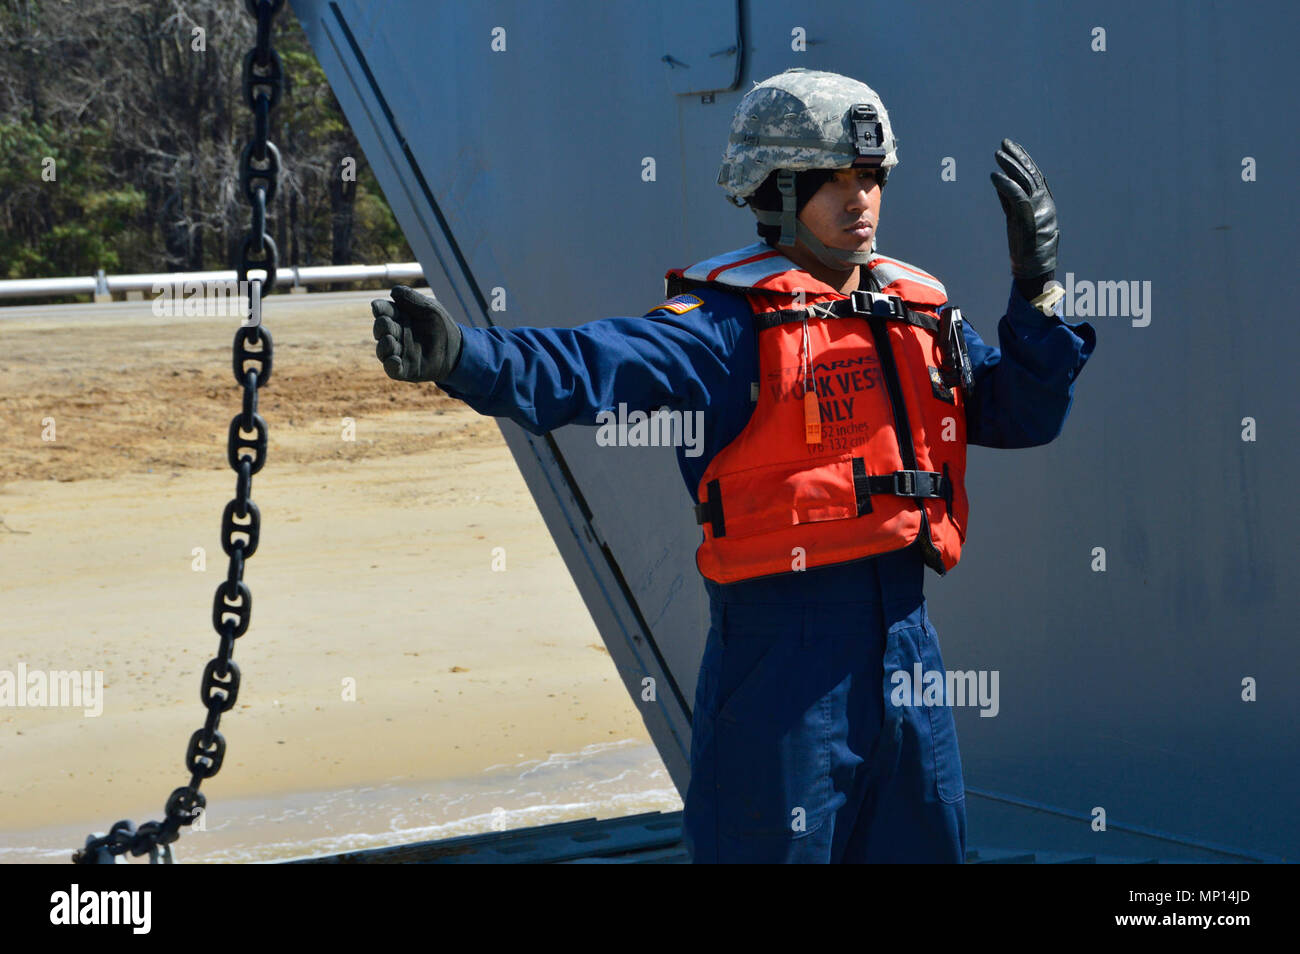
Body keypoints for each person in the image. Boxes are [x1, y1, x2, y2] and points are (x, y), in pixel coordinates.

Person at [370, 68, 1095, 863]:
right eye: (836, 180)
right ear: (777, 191)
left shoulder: (917, 314)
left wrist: (1037, 288)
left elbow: (1024, 414)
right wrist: (461, 355)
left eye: (872, 177)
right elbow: (586, 363)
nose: (862, 199)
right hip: (781, 672)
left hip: (908, 654)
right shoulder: (722, 327)